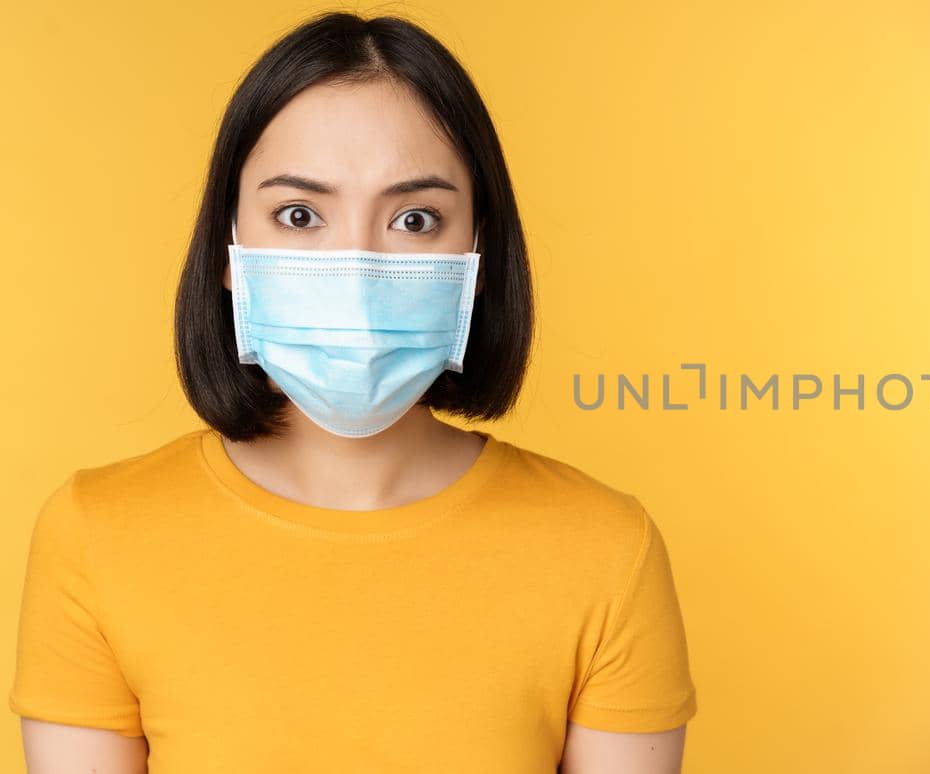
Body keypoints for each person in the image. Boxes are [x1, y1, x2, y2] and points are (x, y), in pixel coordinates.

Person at [8, 12, 697, 773]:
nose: (358, 270)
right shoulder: (97, 535)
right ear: (230, 252)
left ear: (475, 254)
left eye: (414, 218)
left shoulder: (604, 549)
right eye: (299, 215)